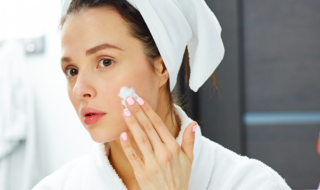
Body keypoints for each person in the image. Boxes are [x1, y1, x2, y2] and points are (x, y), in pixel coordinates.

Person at [32, 0, 291, 189]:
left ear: (162, 65)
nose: (79, 89)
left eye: (105, 61)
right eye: (72, 70)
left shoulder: (251, 183)